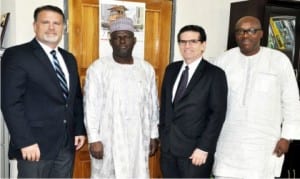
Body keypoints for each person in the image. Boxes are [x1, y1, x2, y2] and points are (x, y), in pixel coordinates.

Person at [1, 5, 86, 178]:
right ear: (35, 26)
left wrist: (79, 130)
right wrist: (25, 142)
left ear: (64, 27)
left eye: (57, 23)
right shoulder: (17, 55)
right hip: (34, 147)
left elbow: (75, 98)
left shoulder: (69, 59)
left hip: (66, 145)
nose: (51, 27)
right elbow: (10, 103)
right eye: (45, 22)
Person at [212, 16, 300, 178]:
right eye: (240, 31)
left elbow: (292, 101)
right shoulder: (223, 61)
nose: (245, 35)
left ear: (261, 34)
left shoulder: (279, 61)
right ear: (235, 35)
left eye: (252, 31)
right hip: (228, 142)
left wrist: (287, 137)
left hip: (264, 144)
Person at [83, 17, 159, 178]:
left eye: (127, 36)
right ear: (111, 41)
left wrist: (153, 134)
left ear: (134, 40)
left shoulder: (146, 69)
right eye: (117, 37)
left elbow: (153, 105)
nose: (122, 41)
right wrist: (94, 138)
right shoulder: (98, 68)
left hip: (138, 137)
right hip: (108, 138)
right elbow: (90, 106)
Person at [159, 25, 228, 178]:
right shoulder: (171, 69)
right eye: (182, 42)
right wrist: (162, 137)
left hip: (195, 153)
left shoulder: (215, 74)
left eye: (193, 41)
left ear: (203, 45)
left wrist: (204, 148)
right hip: (168, 150)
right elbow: (165, 107)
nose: (187, 46)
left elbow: (217, 115)